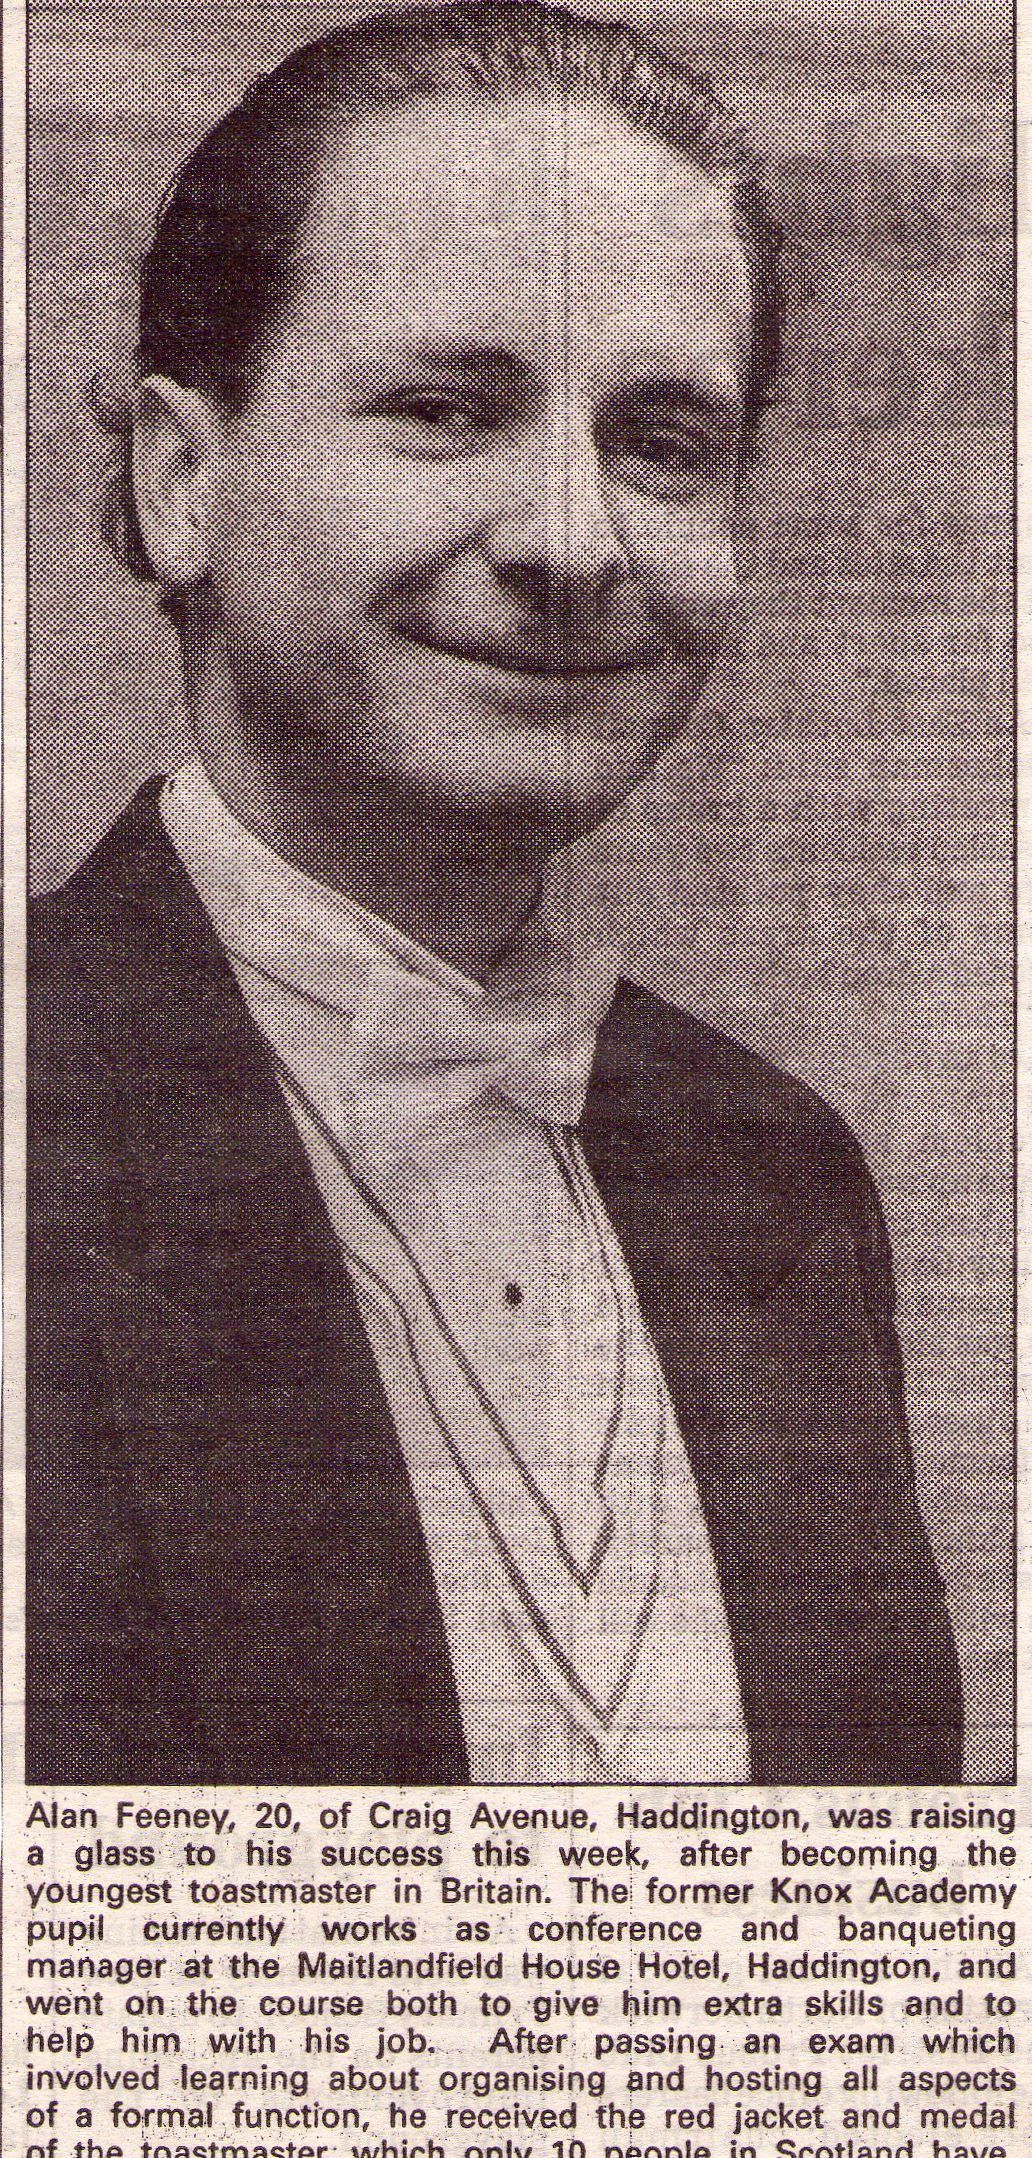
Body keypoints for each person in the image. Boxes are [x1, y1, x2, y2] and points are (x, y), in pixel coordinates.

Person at [27, 1, 963, 1787]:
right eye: (445, 410)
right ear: (183, 478)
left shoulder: (783, 1177)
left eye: (663, 442)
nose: (572, 542)